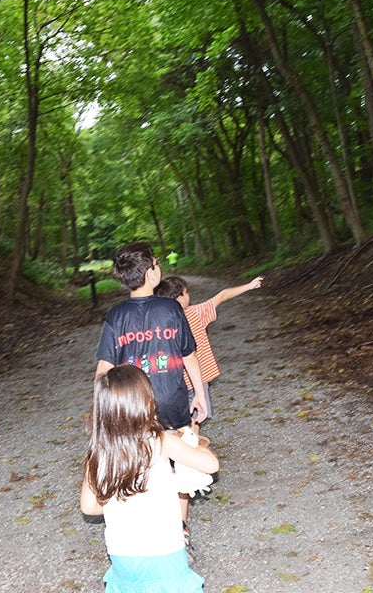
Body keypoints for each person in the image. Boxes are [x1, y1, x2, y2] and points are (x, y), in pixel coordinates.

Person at [94, 242, 208, 543]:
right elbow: (189, 356)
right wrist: (199, 394)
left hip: (134, 406)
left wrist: (103, 410)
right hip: (172, 399)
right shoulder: (171, 308)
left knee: (141, 461)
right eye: (156, 262)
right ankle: (180, 526)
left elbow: (104, 369)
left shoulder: (116, 315)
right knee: (182, 462)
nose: (159, 266)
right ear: (149, 272)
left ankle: (147, 527)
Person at [81, 365, 219, 592]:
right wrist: (193, 439)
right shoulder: (161, 441)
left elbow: (89, 507)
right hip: (164, 553)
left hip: (122, 557)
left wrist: (122, 501)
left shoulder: (98, 453)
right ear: (147, 403)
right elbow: (211, 465)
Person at [155, 274, 264, 432]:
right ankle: (192, 450)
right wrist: (249, 285)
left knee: (174, 422)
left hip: (170, 383)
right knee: (195, 421)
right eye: (186, 293)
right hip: (196, 380)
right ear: (178, 299)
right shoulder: (195, 313)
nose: (189, 296)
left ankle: (177, 451)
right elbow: (223, 295)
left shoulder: (159, 323)